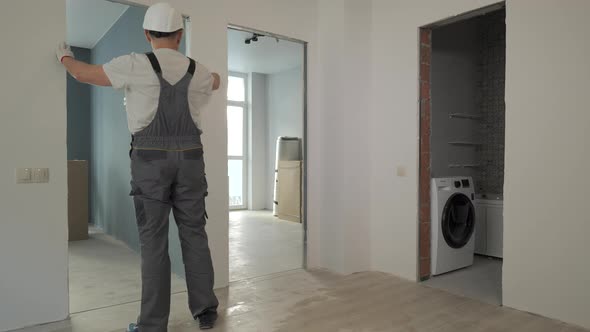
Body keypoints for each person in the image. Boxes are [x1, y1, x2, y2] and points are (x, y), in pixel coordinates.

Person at [56, 2, 220, 331]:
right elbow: (215, 80)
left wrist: (64, 56)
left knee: (153, 241)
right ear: (180, 35)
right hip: (190, 160)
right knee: (195, 234)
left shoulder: (134, 64)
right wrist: (212, 76)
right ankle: (205, 311)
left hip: (150, 163)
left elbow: (82, 73)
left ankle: (152, 325)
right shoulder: (198, 71)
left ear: (147, 34)